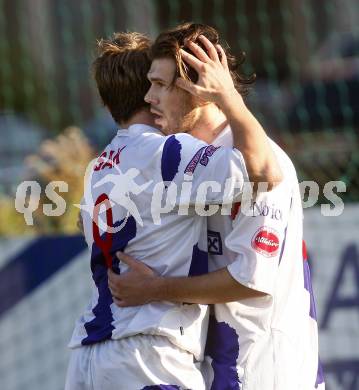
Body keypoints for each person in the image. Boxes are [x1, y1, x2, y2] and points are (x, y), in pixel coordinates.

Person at [108, 23, 325, 390]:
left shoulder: (260, 161)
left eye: (161, 85)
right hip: (214, 369)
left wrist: (155, 288)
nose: (148, 97)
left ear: (200, 91)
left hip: (265, 371)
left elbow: (251, 279)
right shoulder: (186, 162)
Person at [65, 26, 281, 390]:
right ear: (151, 97)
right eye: (157, 85)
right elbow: (262, 171)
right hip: (148, 352)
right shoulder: (169, 152)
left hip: (88, 354)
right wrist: (227, 97)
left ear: (107, 103)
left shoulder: (97, 166)